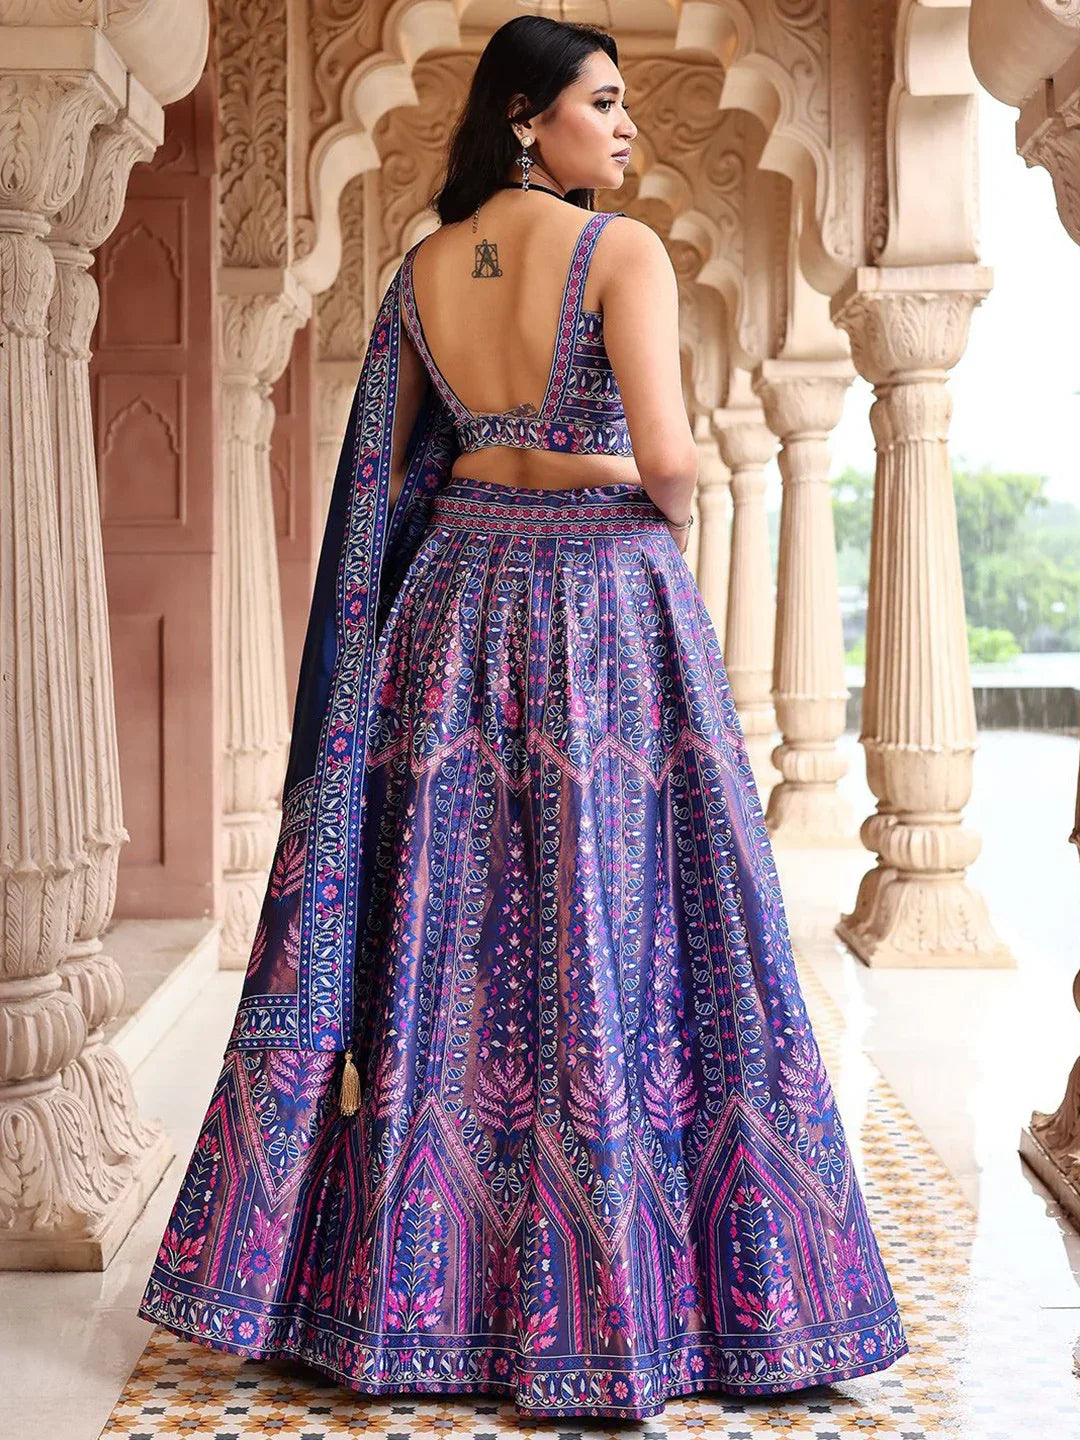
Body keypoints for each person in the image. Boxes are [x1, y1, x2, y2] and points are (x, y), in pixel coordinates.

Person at [139, 15, 908, 1420]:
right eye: (602, 105)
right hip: (602, 608)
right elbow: (674, 465)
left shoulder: (420, 271)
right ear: (523, 118)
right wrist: (630, 476)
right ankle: (618, 1315)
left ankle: (412, 1308)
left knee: (455, 940)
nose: (626, 131)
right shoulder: (620, 254)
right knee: (616, 938)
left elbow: (397, 474)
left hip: (446, 611)